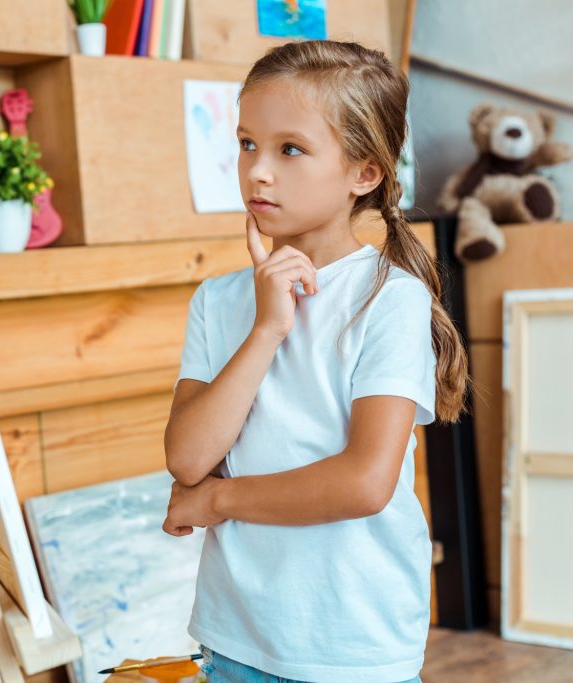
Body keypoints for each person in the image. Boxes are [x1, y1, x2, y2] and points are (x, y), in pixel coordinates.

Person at [162, 39, 472, 683]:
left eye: (290, 149)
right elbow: (188, 457)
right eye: (248, 144)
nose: (257, 172)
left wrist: (217, 502)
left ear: (364, 172)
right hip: (236, 634)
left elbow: (362, 483)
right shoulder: (219, 300)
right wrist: (268, 328)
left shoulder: (390, 300)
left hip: (352, 642)